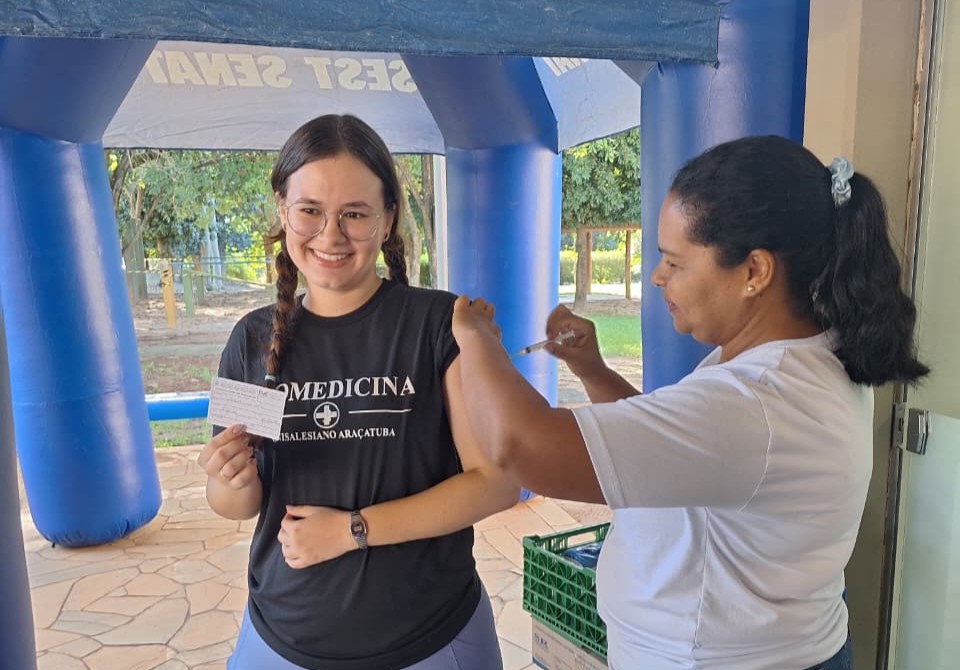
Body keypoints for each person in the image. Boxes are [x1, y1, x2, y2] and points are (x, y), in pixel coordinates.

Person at [450, 135, 929, 670]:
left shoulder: (757, 401)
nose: (658, 276)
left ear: (754, 272)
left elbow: (521, 448)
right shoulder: (804, 351)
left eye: (675, 263)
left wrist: (475, 340)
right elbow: (674, 451)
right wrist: (594, 370)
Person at [197, 113, 519, 670]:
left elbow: (496, 483)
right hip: (281, 638)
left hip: (430, 640)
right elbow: (235, 505)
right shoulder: (253, 338)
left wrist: (353, 531)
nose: (330, 235)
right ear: (282, 209)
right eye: (310, 211)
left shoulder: (440, 325)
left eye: (354, 214)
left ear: (387, 218)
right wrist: (230, 479)